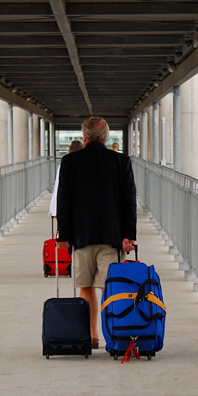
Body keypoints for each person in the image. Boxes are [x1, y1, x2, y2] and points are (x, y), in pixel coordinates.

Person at [54, 116, 137, 344]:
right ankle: (114, 335)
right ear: (107, 137)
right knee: (111, 288)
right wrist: (129, 235)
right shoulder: (121, 162)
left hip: (82, 237)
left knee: (86, 286)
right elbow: (129, 200)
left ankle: (91, 335)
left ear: (85, 136)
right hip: (113, 236)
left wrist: (63, 235)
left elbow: (64, 202)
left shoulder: (70, 162)